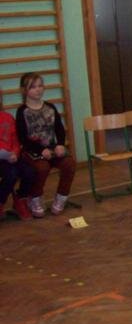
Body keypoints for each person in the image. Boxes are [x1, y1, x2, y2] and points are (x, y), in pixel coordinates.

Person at [15, 72, 76, 217]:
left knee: (69, 164)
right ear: (24, 90)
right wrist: (41, 150)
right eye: (33, 87)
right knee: (42, 167)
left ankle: (61, 197)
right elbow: (23, 138)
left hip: (51, 148)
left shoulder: (50, 107)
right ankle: (35, 198)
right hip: (32, 150)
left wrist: (60, 145)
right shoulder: (22, 111)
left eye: (40, 86)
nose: (38, 89)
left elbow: (59, 129)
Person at [0, 89, 34, 220]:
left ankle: (20, 198)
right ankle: (1, 201)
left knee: (29, 171)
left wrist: (15, 153)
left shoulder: (7, 117)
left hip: (11, 157)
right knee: (11, 174)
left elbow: (15, 140)